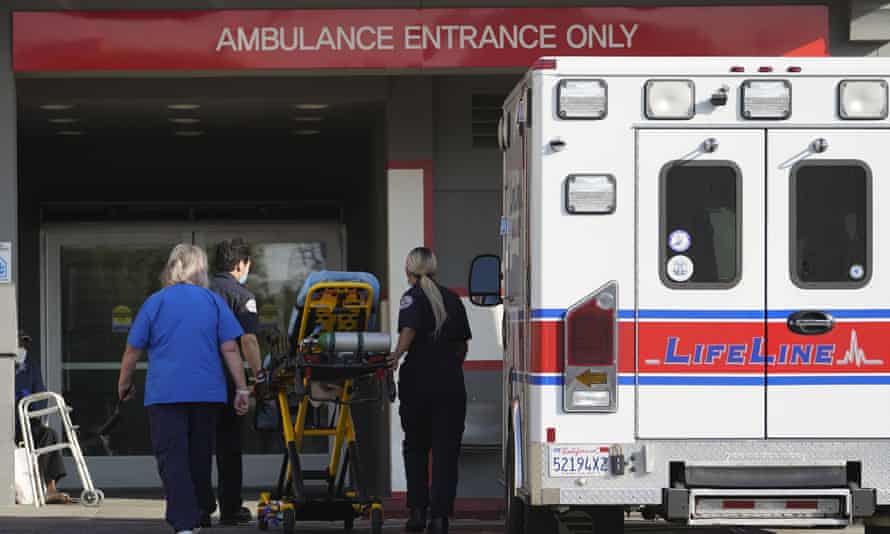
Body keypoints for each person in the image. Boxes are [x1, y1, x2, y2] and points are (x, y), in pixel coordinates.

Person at [117, 244, 250, 534]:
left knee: (172, 458)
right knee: (199, 456)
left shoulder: (155, 302)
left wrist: (124, 384)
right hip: (207, 394)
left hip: (165, 394)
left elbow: (132, 350)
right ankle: (200, 509)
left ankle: (185, 521)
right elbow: (230, 348)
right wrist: (242, 389)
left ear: (171, 268)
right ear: (201, 270)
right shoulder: (213, 301)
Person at [389, 247, 472, 534]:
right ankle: (440, 519)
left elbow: (409, 331)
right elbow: (462, 346)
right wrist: (448, 367)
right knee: (446, 452)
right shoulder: (452, 299)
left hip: (417, 383)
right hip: (450, 384)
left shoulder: (411, 297)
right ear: (434, 269)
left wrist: (395, 356)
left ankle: (417, 514)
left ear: (408, 269)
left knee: (415, 448)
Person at [208, 238, 265, 526]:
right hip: (228, 378)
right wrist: (259, 375)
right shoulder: (242, 296)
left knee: (199, 443)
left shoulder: (200, 292)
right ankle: (230, 508)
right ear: (240, 264)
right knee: (228, 445)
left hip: (198, 378)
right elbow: (249, 340)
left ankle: (200, 507)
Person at [13, 331, 69, 504]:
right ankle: (36, 488)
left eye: (24, 344)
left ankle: (49, 488)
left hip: (25, 417)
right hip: (7, 419)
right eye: (18, 343)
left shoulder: (30, 364)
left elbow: (40, 394)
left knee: (48, 434)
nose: (22, 347)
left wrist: (32, 409)